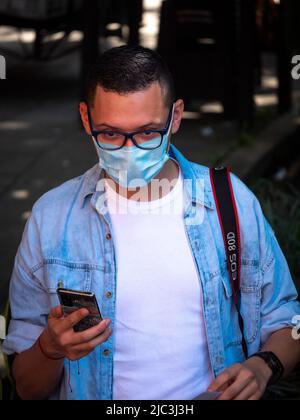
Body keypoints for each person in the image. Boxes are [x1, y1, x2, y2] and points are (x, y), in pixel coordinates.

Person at [3, 45, 300, 401]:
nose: (130, 150)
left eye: (147, 133)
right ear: (86, 120)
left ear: (175, 117)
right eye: (110, 134)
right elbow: (26, 387)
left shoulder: (229, 203)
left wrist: (263, 365)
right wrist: (50, 349)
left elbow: (287, 322)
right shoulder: (50, 220)